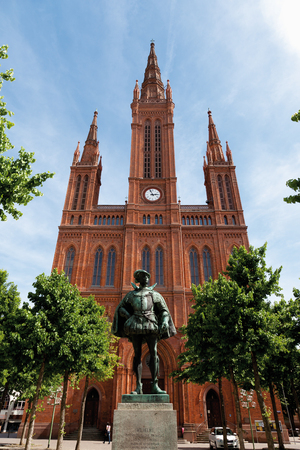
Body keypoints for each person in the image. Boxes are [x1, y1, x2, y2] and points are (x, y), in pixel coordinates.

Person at [112, 269, 176, 395]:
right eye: (142, 276)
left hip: (151, 324)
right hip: (136, 325)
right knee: (137, 355)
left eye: (147, 276)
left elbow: (164, 311)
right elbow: (121, 308)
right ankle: (138, 386)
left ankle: (155, 385)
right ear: (138, 280)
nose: (146, 277)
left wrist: (164, 321)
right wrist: (128, 316)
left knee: (154, 354)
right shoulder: (131, 295)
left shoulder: (155, 295)